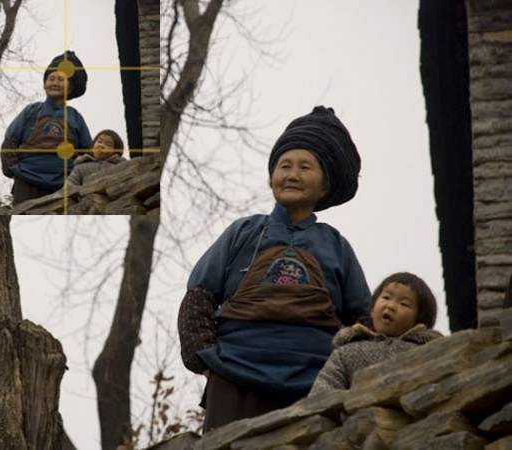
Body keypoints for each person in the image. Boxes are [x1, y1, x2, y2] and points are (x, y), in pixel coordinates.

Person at [178, 106, 371, 432]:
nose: (292, 174)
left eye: (305, 167)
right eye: (285, 166)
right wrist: (205, 356)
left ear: (324, 186)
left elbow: (363, 317)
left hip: (315, 382)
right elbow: (200, 293)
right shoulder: (243, 232)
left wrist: (346, 369)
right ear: (271, 179)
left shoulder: (335, 246)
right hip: (233, 378)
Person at [309, 272, 442, 395]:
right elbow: (321, 395)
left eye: (403, 304)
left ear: (420, 320)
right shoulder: (347, 353)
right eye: (386, 297)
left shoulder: (428, 354)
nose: (390, 306)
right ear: (372, 310)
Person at [0, 50, 93, 204]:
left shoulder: (75, 117)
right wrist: (12, 167)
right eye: (51, 78)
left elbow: (87, 150)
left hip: (65, 182)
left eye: (61, 80)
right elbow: (11, 139)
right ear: (45, 84)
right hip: (27, 180)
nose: (55, 83)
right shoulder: (31, 111)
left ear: (70, 87)